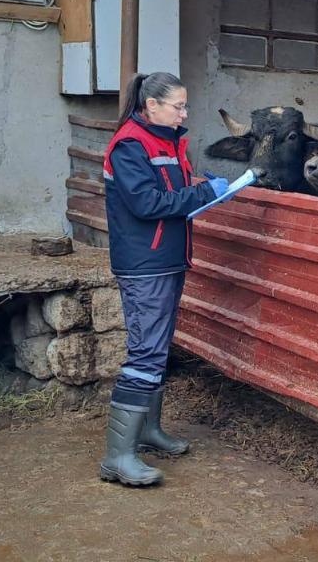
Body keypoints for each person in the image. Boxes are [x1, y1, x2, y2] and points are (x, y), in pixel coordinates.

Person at [98, 71, 229, 486]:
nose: (184, 113)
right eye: (178, 106)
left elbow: (172, 189)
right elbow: (147, 202)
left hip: (168, 259)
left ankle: (149, 432)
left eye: (185, 105)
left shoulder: (168, 142)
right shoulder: (130, 145)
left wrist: (200, 185)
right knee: (145, 355)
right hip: (145, 264)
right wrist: (206, 194)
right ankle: (117, 457)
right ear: (151, 106)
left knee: (158, 350)